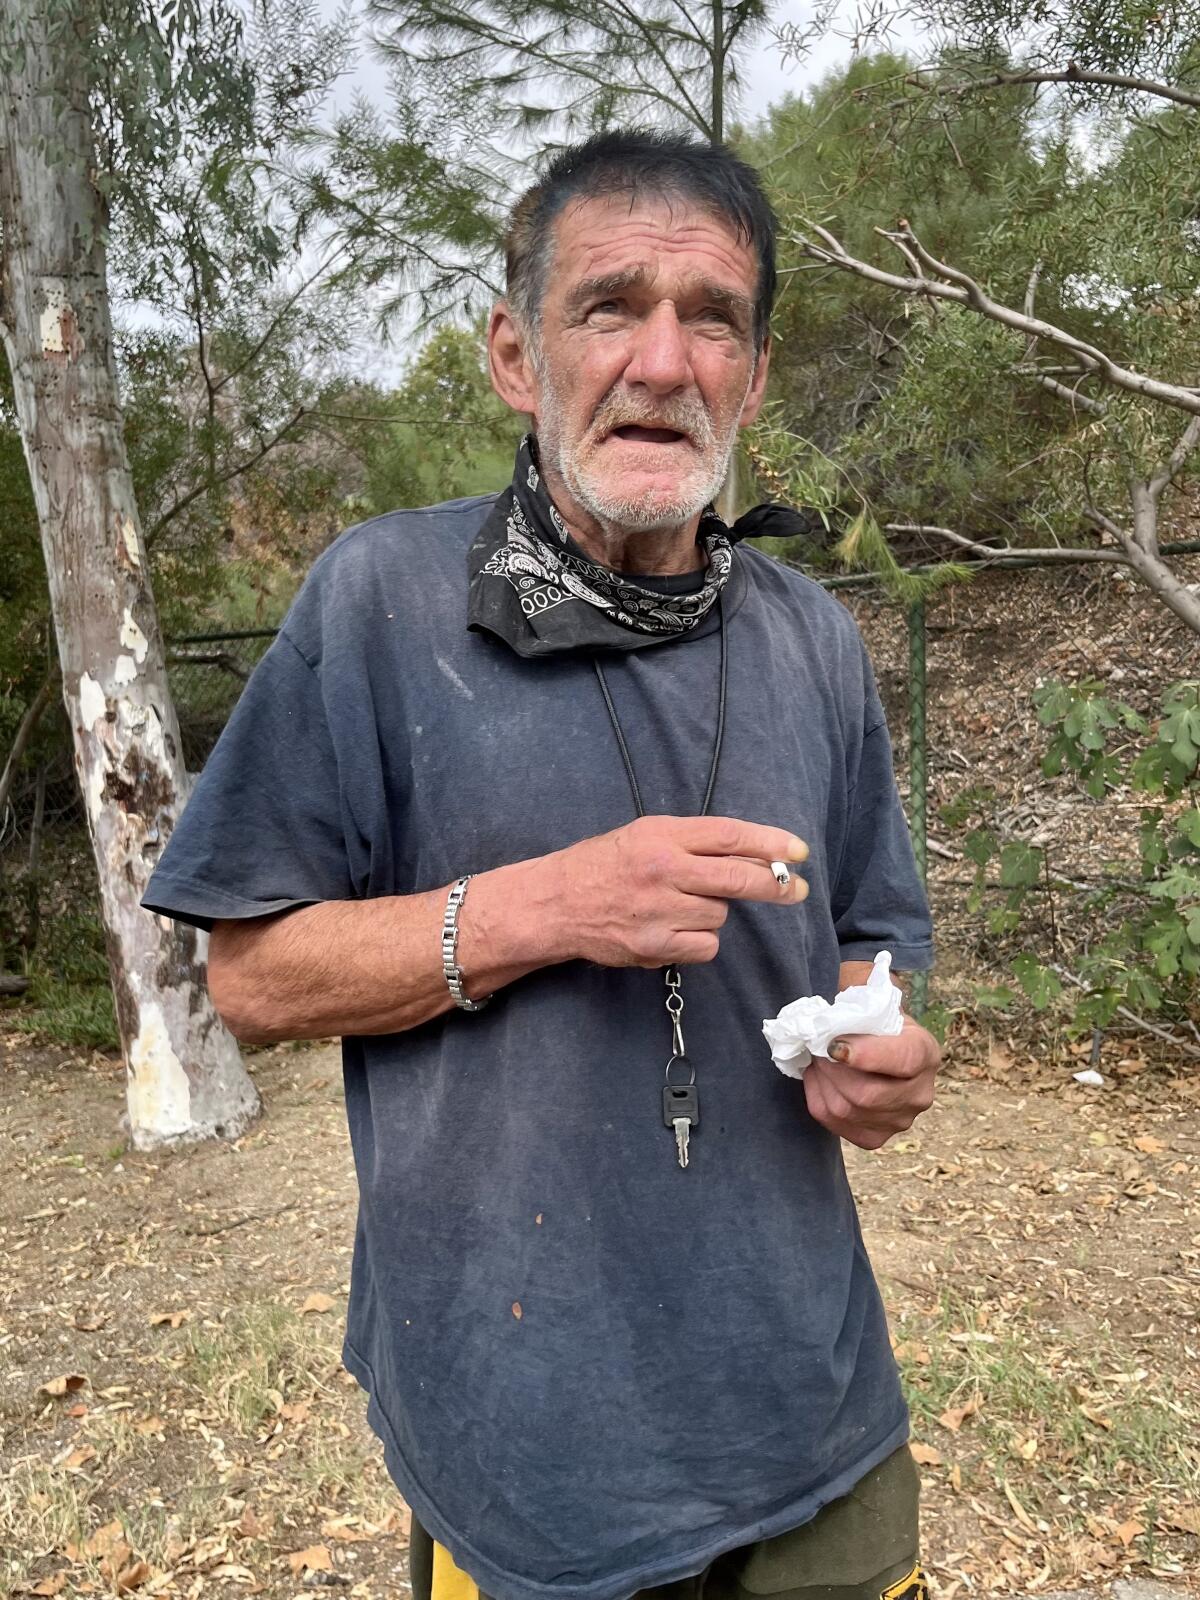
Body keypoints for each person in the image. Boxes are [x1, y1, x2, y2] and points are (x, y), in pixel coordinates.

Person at [142, 129, 940, 1600]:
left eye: (713, 320)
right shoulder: (380, 604)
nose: (662, 361)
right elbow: (246, 975)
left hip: (811, 1405)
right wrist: (544, 908)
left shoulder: (813, 642)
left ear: (753, 378)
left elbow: (872, 938)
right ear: (517, 354)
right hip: (530, 1445)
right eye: (608, 306)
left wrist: (881, 1045)